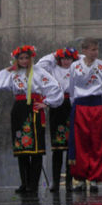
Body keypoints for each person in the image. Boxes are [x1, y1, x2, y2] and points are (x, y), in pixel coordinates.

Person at [0, 45, 63, 194]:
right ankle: (24, 183)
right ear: (16, 59)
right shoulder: (12, 73)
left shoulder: (38, 72)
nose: (24, 61)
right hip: (18, 110)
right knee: (21, 148)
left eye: (27, 58)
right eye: (21, 58)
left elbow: (55, 87)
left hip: (34, 110)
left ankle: (33, 183)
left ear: (31, 58)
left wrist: (47, 102)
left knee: (36, 150)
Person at [67, 38, 102, 192]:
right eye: (92, 49)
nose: (95, 52)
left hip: (96, 106)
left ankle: (94, 178)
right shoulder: (75, 66)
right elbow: (72, 89)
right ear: (84, 50)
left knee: (97, 143)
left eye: (97, 49)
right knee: (80, 143)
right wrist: (76, 105)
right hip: (80, 107)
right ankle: (79, 177)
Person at [34, 47, 78, 193]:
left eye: (69, 58)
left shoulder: (77, 69)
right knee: (57, 147)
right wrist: (54, 54)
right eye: (63, 58)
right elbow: (39, 66)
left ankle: (70, 181)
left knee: (71, 146)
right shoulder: (52, 68)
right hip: (56, 106)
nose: (66, 61)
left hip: (71, 106)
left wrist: (75, 53)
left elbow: (86, 59)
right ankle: (55, 181)